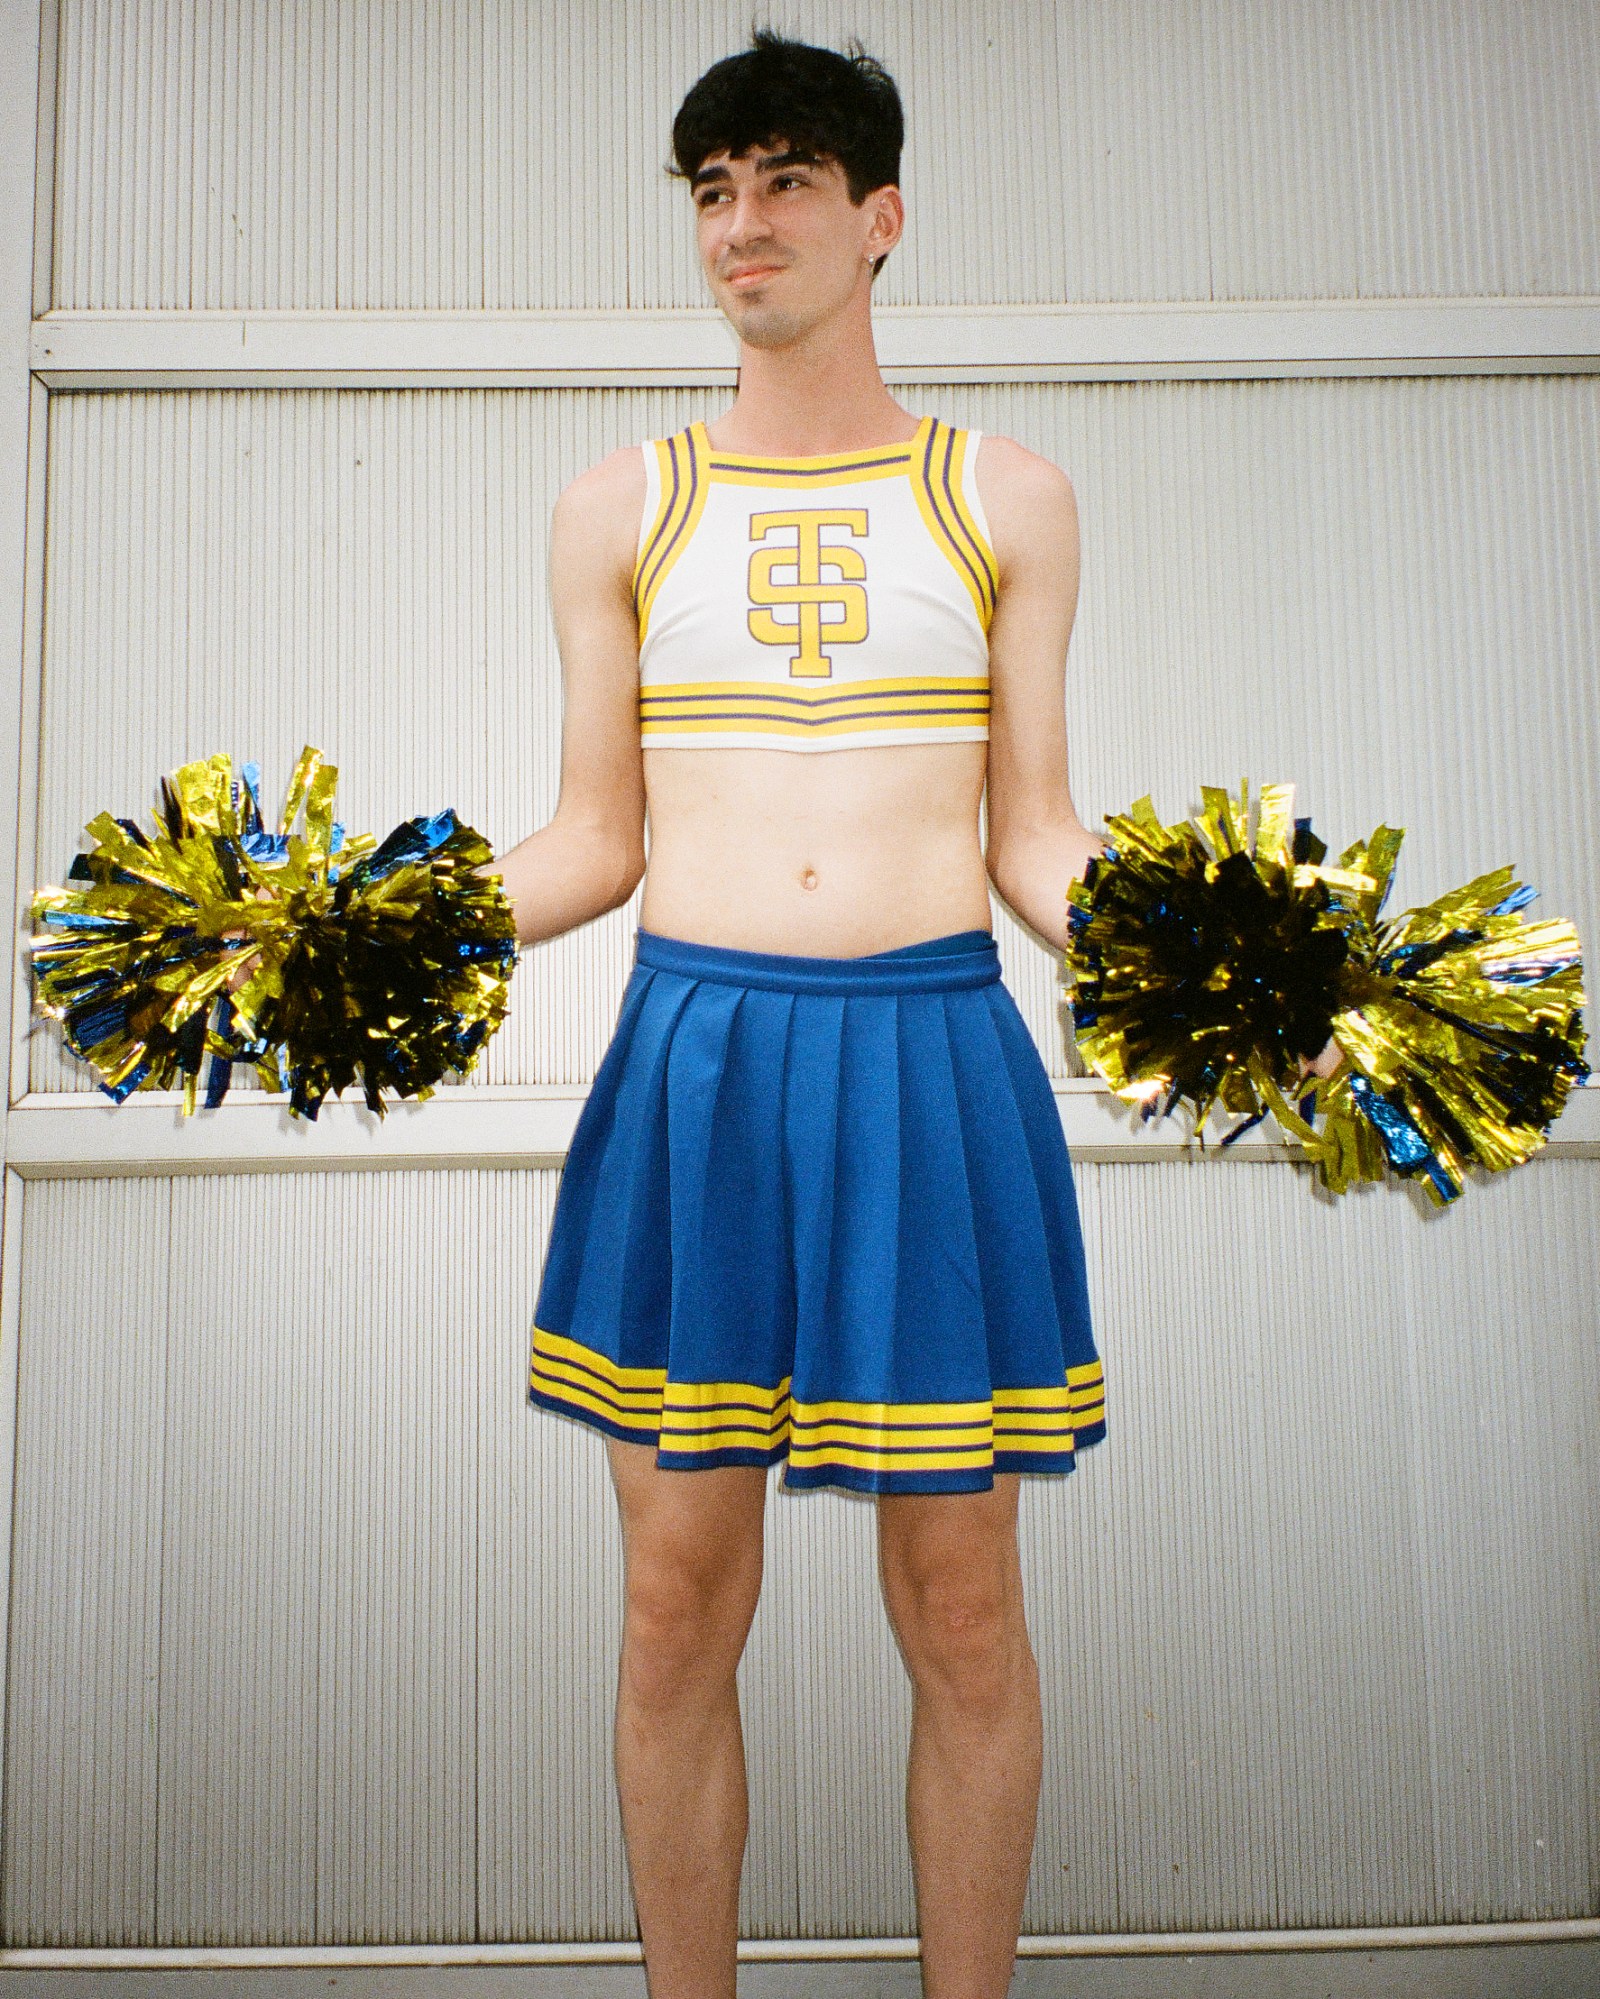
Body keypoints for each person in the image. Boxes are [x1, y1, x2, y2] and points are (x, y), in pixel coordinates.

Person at [486, 30, 1106, 1999]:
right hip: (701, 1069)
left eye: (780, 184)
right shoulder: (617, 507)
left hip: (931, 1068)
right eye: (708, 191)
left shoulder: (1004, 492)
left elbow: (1037, 841)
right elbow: (589, 841)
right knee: (673, 1615)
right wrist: (337, 928)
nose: (737, 227)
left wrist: (1256, 964)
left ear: (878, 217)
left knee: (964, 1619)